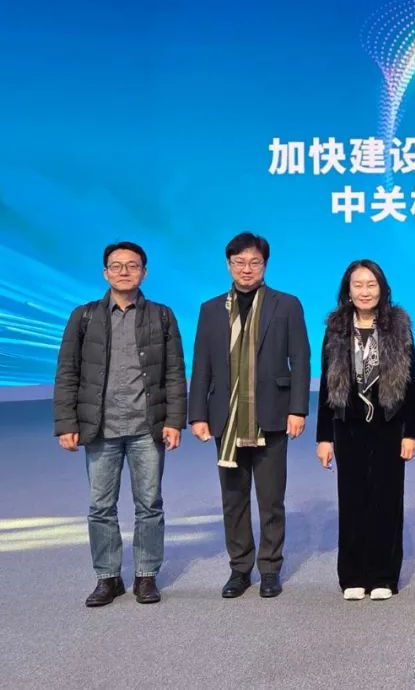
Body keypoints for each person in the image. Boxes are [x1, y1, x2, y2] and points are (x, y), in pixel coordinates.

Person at [53, 241, 187, 606]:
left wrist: (175, 421)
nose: (124, 271)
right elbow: (67, 372)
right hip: (100, 428)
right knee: (100, 507)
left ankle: (146, 575)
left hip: (147, 428)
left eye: (132, 265)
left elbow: (175, 373)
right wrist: (66, 423)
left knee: (150, 505)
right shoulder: (84, 317)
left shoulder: (162, 316)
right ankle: (107, 578)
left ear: (144, 272)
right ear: (105, 273)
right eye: (116, 265)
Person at [189, 232, 310, 600]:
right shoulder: (211, 309)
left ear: (265, 265)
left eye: (254, 262)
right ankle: (240, 569)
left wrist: (298, 409)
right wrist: (197, 414)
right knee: (234, 499)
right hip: (226, 418)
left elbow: (301, 359)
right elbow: (202, 365)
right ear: (229, 265)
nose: (247, 269)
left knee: (271, 499)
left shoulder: (286, 304)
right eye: (239, 262)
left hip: (272, 414)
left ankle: (270, 568)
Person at [316, 259, 415, 601]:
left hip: (389, 426)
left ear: (382, 289)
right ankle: (353, 576)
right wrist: (324, 438)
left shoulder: (399, 327)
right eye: (358, 285)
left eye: (371, 285)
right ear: (348, 290)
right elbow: (326, 387)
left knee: (387, 502)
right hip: (348, 427)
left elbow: (410, 387)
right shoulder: (336, 329)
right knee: (352, 501)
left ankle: (384, 576)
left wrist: (410, 433)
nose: (364, 291)